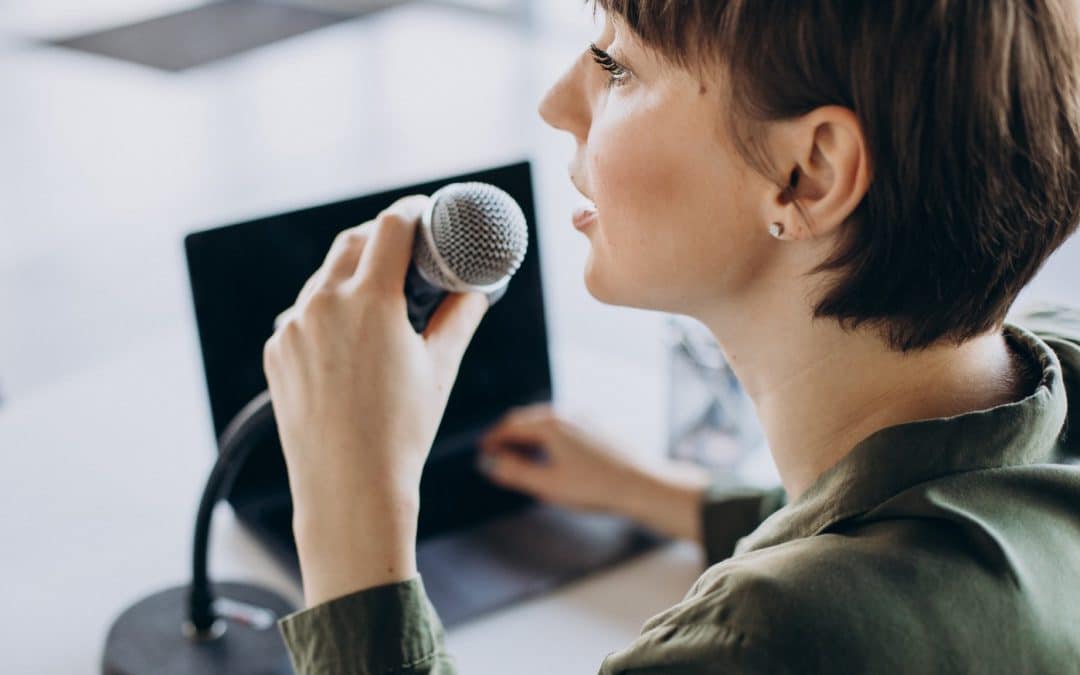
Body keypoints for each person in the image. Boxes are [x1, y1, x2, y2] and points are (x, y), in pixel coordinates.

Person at [261, 1, 1080, 673]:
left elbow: (834, 619)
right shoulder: (1051, 373)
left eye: (617, 64)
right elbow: (924, 516)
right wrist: (671, 497)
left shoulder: (769, 640)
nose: (556, 100)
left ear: (811, 172)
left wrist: (350, 532)